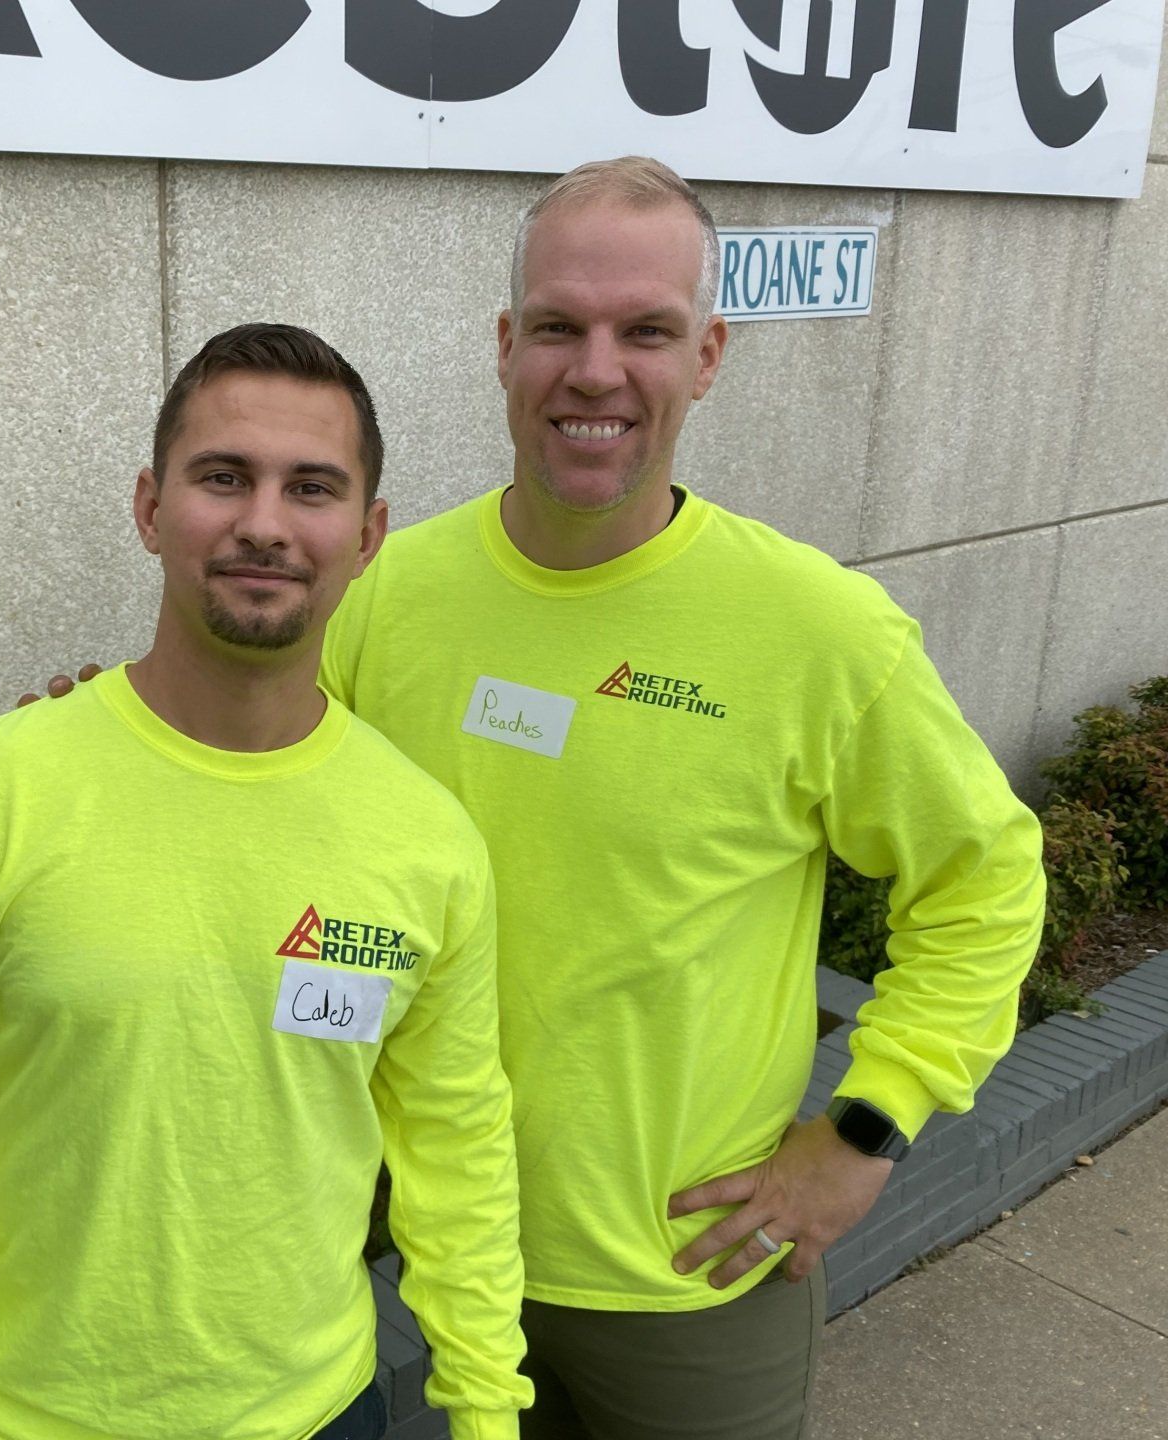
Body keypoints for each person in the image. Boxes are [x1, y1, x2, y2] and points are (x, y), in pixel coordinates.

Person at [315, 158, 1046, 1437]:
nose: (595, 370)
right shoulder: (388, 596)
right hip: (445, 1249)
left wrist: (865, 1132)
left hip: (688, 1277)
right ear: (505, 348)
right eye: (558, 326)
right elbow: (268, 807)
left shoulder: (815, 630)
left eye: (644, 330)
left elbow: (985, 874)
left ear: (706, 355)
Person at [0, 324, 535, 1440]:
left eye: (312, 488)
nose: (264, 523)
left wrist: (487, 1410)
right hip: (23, 1419)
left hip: (319, 1411)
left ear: (369, 534)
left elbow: (460, 1154)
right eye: (224, 478)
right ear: (152, 508)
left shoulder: (427, 842)